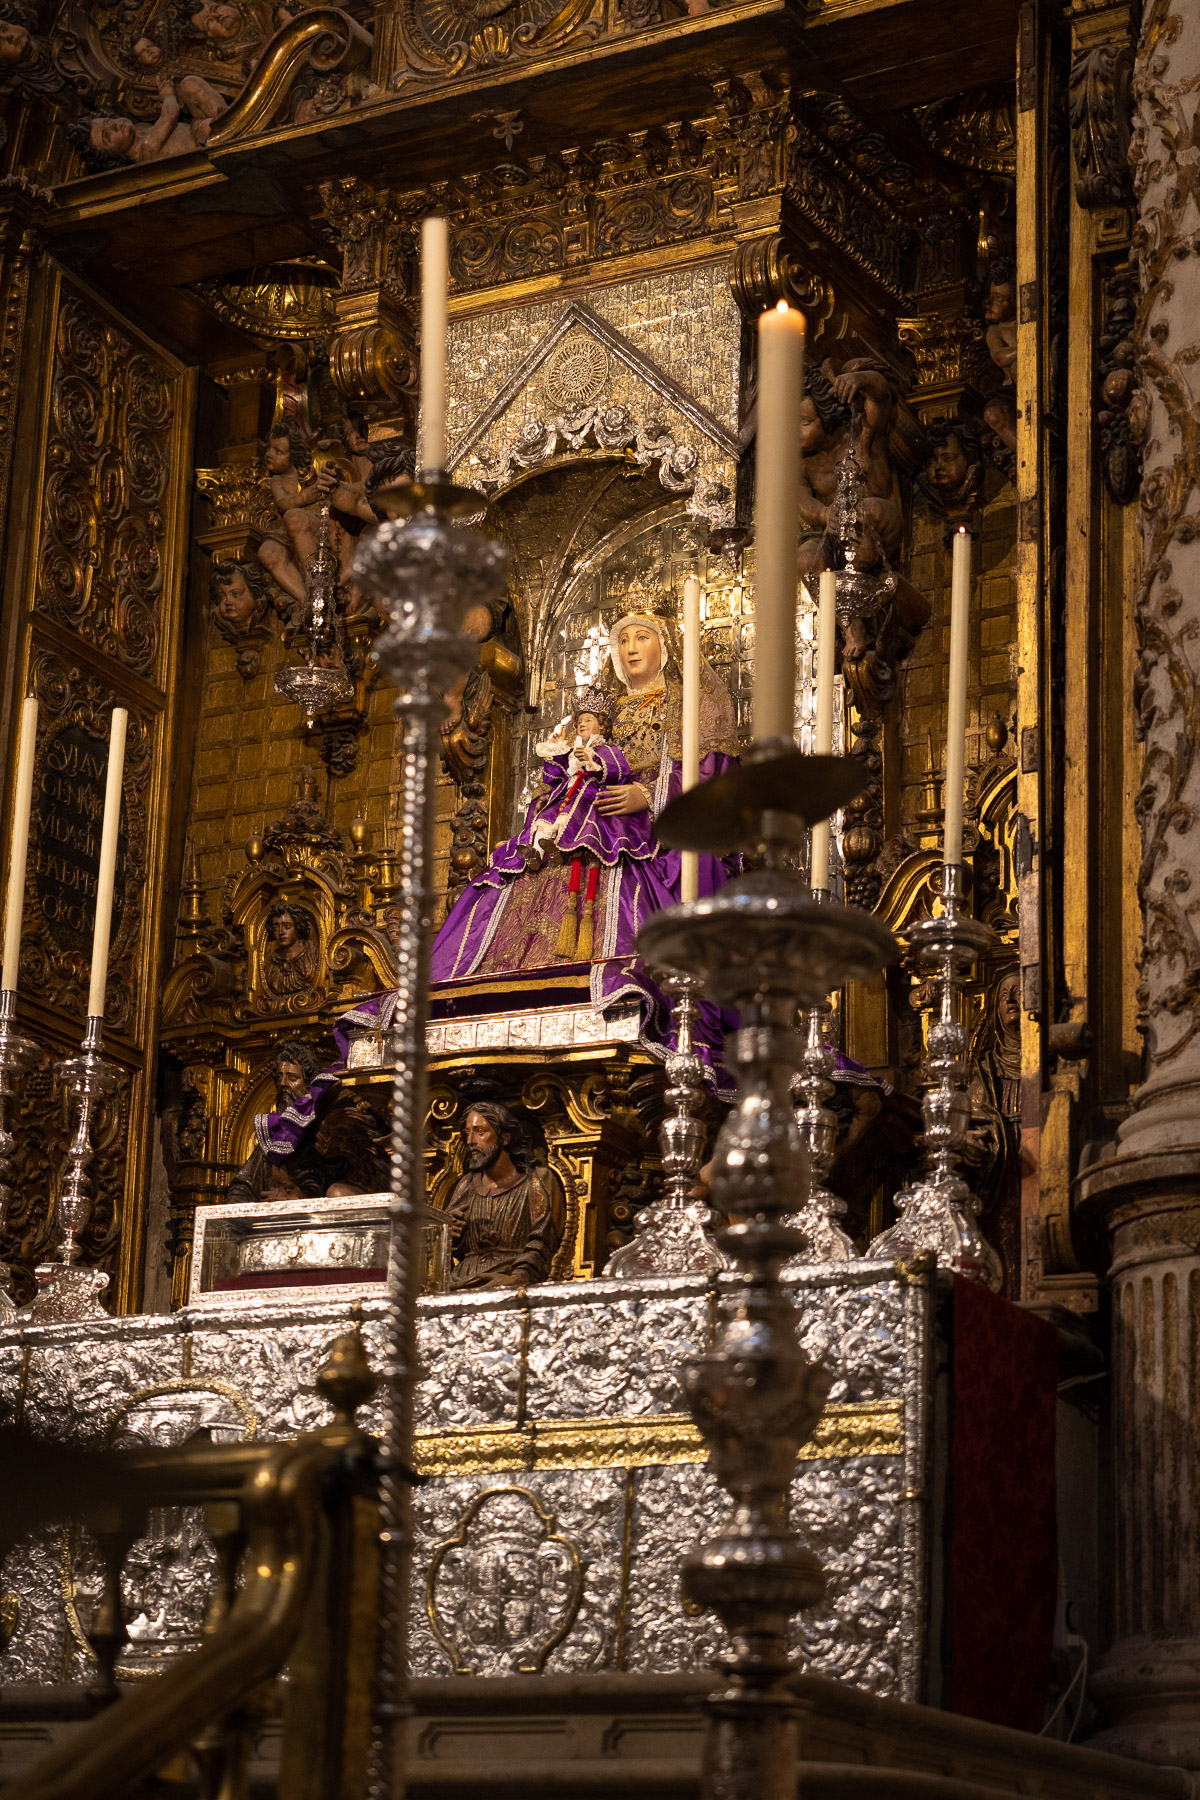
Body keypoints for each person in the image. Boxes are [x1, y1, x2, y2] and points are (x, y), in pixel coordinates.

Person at [429, 609, 740, 1087]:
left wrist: (649, 797)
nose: (631, 648)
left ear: (667, 647)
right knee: (535, 862)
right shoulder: (605, 711)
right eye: (624, 640)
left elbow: (707, 778)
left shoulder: (691, 703)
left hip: (654, 827)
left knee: (656, 871)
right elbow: (571, 763)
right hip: (590, 814)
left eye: (643, 637)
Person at [441, 1103, 563, 1290]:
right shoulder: (466, 1185)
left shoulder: (536, 1181)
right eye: (467, 1133)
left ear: (505, 1137)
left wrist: (519, 1276)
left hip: (513, 1280)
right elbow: (445, 1246)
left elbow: (543, 1241)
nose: (470, 1141)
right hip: (462, 1282)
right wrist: (447, 1235)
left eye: (480, 1131)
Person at [262, 899, 320, 997]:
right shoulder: (269, 962)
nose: (281, 932)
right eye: (276, 928)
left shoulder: (314, 955)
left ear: (298, 927)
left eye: (287, 926)